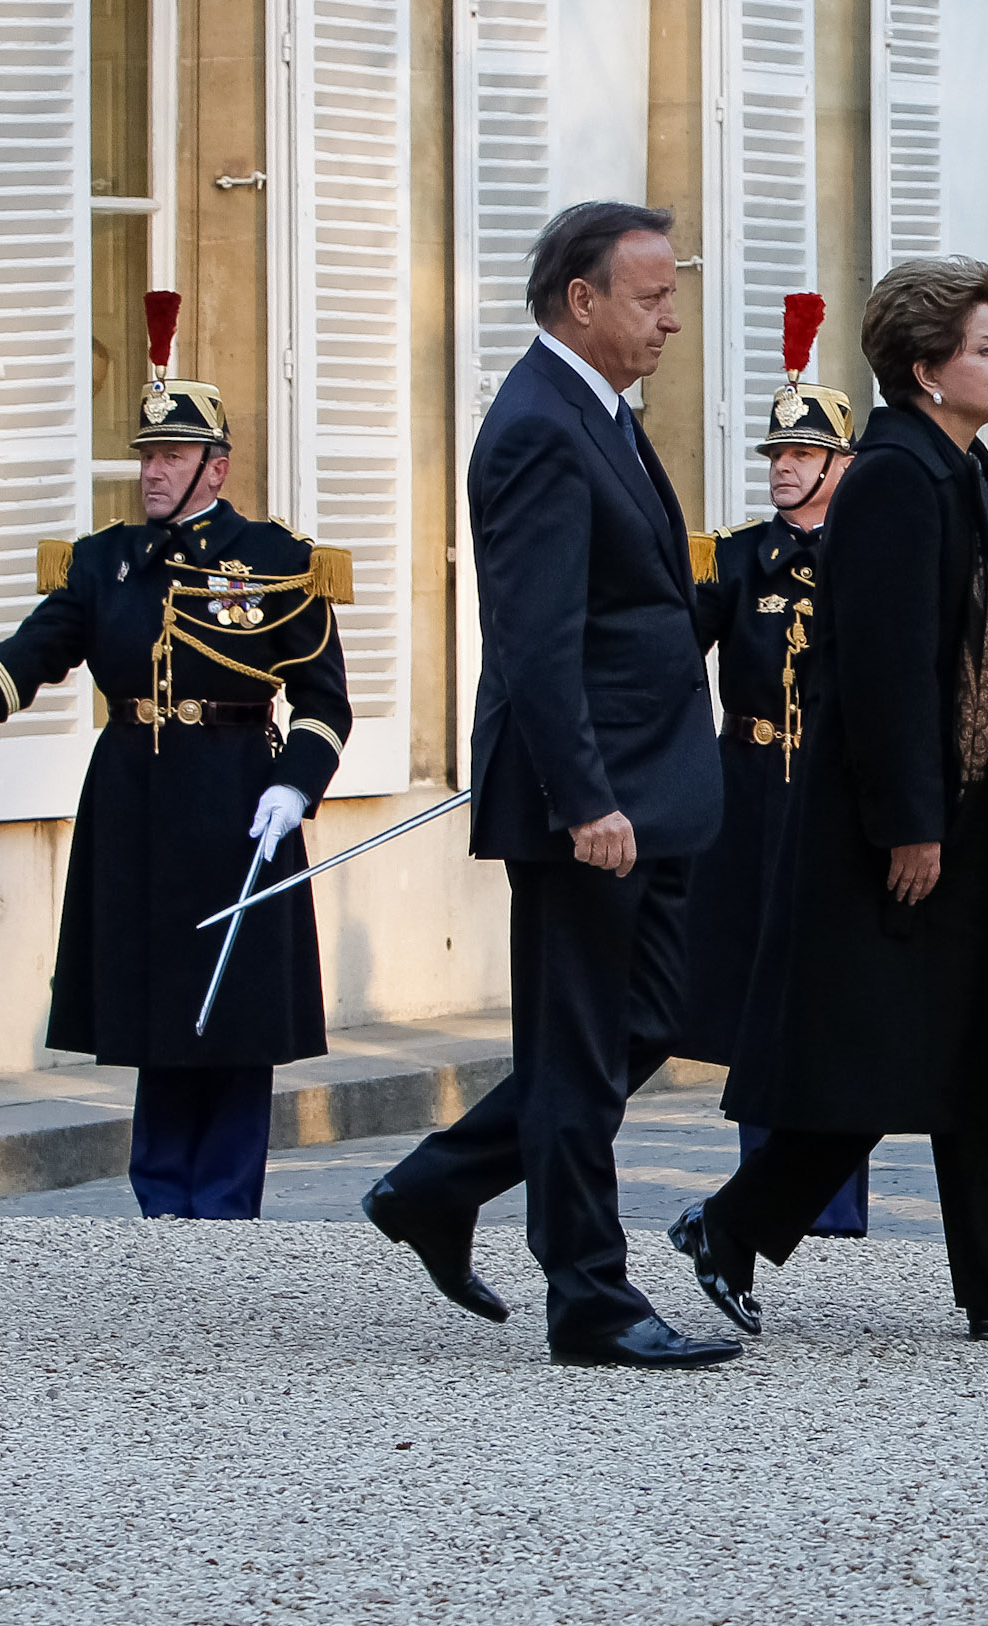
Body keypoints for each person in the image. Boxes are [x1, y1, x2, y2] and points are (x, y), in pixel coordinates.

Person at [668, 256, 988, 1343]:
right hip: (913, 824)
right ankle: (730, 1227)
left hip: (975, 814)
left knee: (968, 1049)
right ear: (926, 367)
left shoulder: (956, 463)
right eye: (981, 346)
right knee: (888, 1057)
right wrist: (910, 822)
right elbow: (878, 669)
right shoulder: (894, 478)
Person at [365, 199, 735, 1370]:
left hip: (654, 783)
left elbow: (642, 606)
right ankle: (590, 1295)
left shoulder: (601, 413)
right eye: (651, 295)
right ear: (582, 300)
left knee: (648, 1020)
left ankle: (438, 1183)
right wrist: (584, 799)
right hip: (594, 799)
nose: (671, 316)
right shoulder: (536, 424)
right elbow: (535, 635)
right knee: (580, 1047)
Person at [0, 291, 352, 1224]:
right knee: (158, 1003)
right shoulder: (103, 562)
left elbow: (323, 702)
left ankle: (226, 1208)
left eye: (170, 457)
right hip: (138, 801)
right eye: (146, 456)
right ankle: (161, 1206)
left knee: (230, 1010)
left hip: (239, 799)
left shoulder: (274, 560)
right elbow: (28, 659)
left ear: (215, 467)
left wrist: (294, 786)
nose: (151, 473)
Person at [685, 291, 868, 1241]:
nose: (783, 470)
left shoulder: (870, 557)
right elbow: (676, 656)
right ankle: (760, 1196)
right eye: (776, 455)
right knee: (758, 1005)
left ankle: (833, 1211)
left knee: (835, 1007)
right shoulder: (734, 561)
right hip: (752, 797)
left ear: (841, 465)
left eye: (801, 455)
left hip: (834, 797)